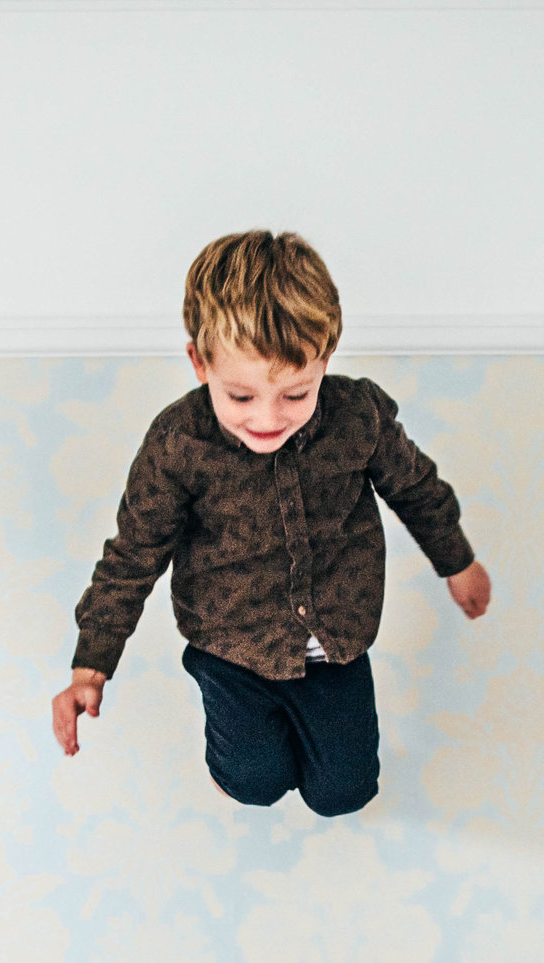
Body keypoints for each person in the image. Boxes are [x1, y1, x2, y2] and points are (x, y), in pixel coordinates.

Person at [50, 230, 491, 817]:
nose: (267, 417)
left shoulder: (359, 416)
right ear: (200, 364)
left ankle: (314, 758)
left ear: (325, 360)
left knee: (344, 793)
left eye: (294, 393)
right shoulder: (177, 443)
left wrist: (455, 560)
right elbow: (133, 555)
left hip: (337, 643)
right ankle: (233, 756)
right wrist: (92, 663)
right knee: (255, 783)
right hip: (230, 646)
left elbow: (416, 488)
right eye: (240, 396)